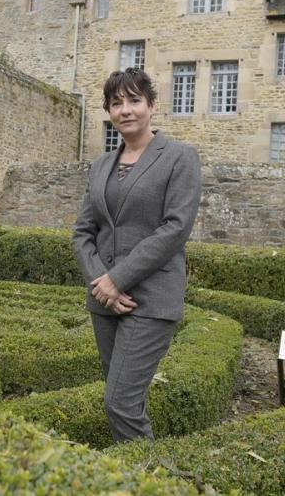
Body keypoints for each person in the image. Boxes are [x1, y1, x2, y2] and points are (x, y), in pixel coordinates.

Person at [71, 67, 202, 443]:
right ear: (108, 111)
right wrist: (102, 285)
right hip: (105, 302)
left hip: (151, 301)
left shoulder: (179, 157)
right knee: (124, 397)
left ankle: (147, 478)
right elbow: (83, 232)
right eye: (116, 103)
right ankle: (128, 471)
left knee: (120, 403)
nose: (125, 110)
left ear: (152, 106)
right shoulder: (101, 166)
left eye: (134, 100)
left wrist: (118, 279)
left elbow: (175, 229)